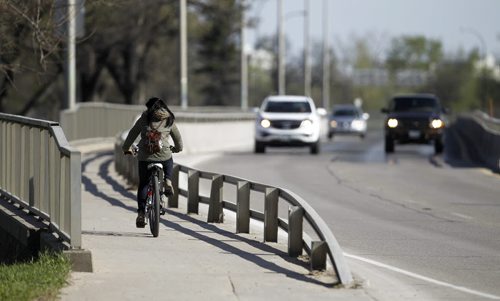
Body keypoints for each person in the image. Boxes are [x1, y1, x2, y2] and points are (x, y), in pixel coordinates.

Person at [122, 97, 183, 228]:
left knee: (143, 183)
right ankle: (167, 180)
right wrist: (177, 149)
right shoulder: (169, 118)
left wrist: (125, 148)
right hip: (163, 153)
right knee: (168, 158)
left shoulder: (144, 118)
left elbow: (132, 134)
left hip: (145, 156)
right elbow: (178, 139)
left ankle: (141, 214)